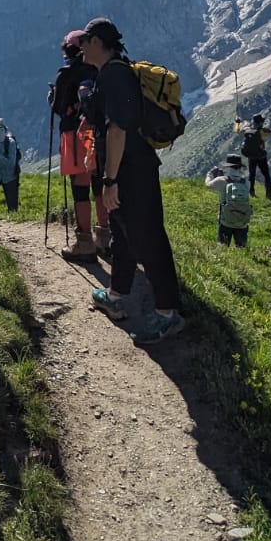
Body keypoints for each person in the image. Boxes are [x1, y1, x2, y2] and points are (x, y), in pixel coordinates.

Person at [77, 17, 184, 345]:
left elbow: (119, 129)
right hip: (129, 169)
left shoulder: (115, 74)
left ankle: (168, 314)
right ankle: (116, 293)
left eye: (85, 40)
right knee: (125, 235)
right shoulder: (112, 73)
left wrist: (110, 180)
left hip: (131, 171)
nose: (80, 46)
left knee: (148, 237)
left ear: (98, 42)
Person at [52, 29, 108, 261]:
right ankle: (105, 238)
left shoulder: (66, 74)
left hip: (74, 135)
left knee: (80, 187)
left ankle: (84, 243)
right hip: (98, 133)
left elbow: (58, 108)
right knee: (99, 184)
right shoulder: (100, 68)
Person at [234, 112, 271, 199]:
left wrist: (237, 123)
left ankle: (251, 193)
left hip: (251, 156)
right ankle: (268, 194)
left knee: (251, 175)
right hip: (261, 157)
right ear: (260, 122)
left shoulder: (246, 129)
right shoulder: (263, 131)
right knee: (266, 175)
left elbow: (237, 131)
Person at [206, 154, 253, 247]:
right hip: (242, 222)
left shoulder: (221, 180)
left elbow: (208, 184)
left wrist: (210, 175)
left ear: (228, 167)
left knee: (222, 249)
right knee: (241, 249)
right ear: (240, 168)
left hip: (225, 220)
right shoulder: (247, 183)